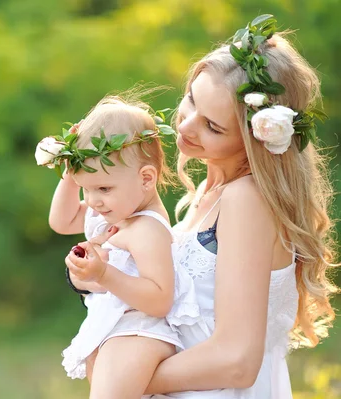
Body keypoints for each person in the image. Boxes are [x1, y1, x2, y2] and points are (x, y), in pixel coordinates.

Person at [70, 15, 338, 398]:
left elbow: (236, 361)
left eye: (213, 126)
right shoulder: (204, 197)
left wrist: (122, 379)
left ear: (255, 139)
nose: (186, 126)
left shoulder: (246, 201)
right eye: (192, 100)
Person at [36, 95, 204, 398]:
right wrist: (70, 171)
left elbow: (159, 300)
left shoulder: (146, 229)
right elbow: (61, 221)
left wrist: (104, 275)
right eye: (87, 188)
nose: (94, 200)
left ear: (146, 178)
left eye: (103, 188)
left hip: (140, 332)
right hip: (113, 330)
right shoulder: (112, 211)